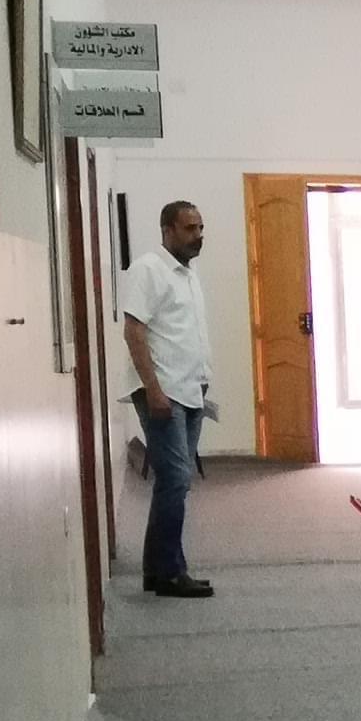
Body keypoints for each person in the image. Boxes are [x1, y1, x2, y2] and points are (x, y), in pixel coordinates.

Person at [120, 201, 216, 597]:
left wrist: (203, 381)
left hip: (190, 390)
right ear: (167, 230)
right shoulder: (148, 269)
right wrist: (154, 389)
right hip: (163, 393)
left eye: (200, 228)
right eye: (190, 228)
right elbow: (134, 331)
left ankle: (159, 570)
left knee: (176, 481)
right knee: (175, 479)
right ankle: (170, 571)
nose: (198, 236)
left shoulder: (188, 274)